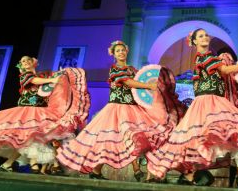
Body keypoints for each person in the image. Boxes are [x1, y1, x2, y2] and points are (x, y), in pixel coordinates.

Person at [146, 28, 238, 188]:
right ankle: (198, 173)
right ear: (195, 42)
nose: (205, 37)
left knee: (225, 135)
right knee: (223, 135)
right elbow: (225, 70)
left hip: (213, 101)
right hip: (208, 103)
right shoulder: (207, 58)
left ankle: (196, 174)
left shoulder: (205, 57)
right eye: (201, 36)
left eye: (206, 35)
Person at [57, 40, 184, 181]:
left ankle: (109, 171)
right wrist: (148, 85)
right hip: (116, 109)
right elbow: (128, 83)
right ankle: (127, 170)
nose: (121, 52)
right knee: (109, 140)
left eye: (123, 50)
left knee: (134, 137)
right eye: (118, 51)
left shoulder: (133, 70)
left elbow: (139, 82)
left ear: (127, 52)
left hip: (132, 108)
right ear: (114, 54)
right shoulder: (115, 69)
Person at [0, 56, 90, 174]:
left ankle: (8, 164)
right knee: (28, 138)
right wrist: (52, 79)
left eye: (28, 60)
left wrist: (61, 77)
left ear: (33, 63)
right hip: (27, 111)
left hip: (39, 112)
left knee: (27, 140)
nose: (26, 62)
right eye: (23, 61)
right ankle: (35, 164)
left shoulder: (41, 76)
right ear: (22, 66)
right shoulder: (25, 76)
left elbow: (49, 86)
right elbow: (35, 80)